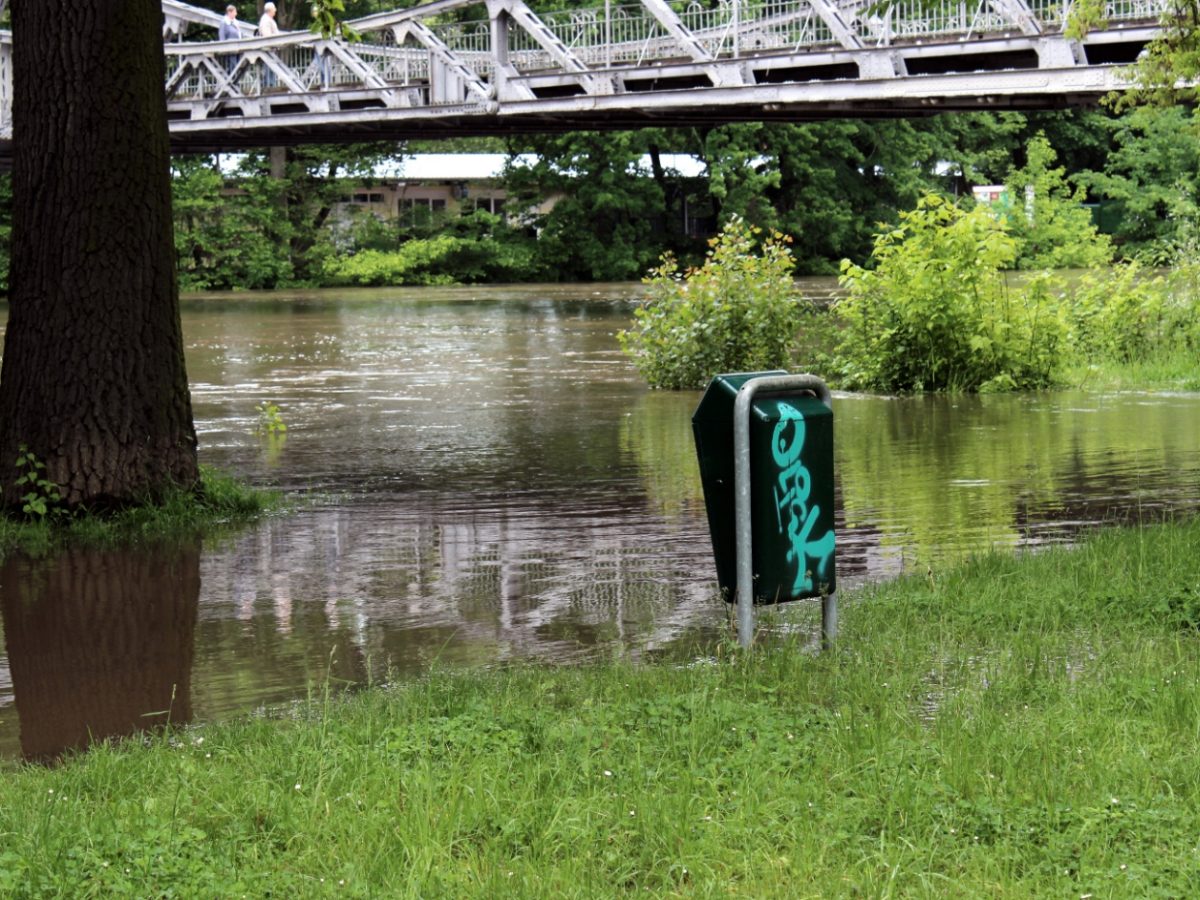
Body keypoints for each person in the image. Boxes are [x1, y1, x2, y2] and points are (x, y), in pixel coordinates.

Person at [258, 1, 281, 89]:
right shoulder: (265, 20)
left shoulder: (268, 19)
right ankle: (269, 87)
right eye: (274, 8)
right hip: (268, 50)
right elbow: (266, 35)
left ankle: (271, 85)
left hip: (271, 49)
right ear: (270, 10)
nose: (275, 10)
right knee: (269, 68)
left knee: (271, 69)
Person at [218, 5, 240, 75]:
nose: (236, 14)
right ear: (229, 12)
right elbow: (222, 35)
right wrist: (223, 48)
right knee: (232, 66)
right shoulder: (224, 22)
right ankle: (231, 81)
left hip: (238, 48)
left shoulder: (236, 22)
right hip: (229, 48)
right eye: (234, 12)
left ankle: (235, 81)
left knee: (237, 65)